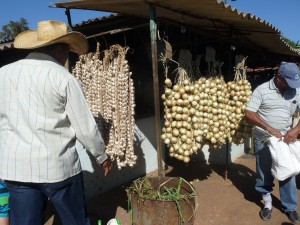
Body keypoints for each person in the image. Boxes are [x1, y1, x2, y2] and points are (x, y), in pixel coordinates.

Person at [0, 20, 113, 225]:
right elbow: (85, 127)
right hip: (57, 167)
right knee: (75, 221)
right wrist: (102, 156)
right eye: (67, 51)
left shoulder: (3, 74)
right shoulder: (63, 77)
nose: (66, 57)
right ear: (59, 49)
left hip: (16, 168)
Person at [245, 61, 300, 223]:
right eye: (288, 82)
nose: (291, 86)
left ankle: (290, 207)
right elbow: (249, 113)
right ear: (279, 77)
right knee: (264, 172)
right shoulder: (262, 90)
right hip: (263, 137)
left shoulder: (296, 90)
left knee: (288, 171)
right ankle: (267, 203)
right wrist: (269, 128)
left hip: (284, 138)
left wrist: (296, 129)